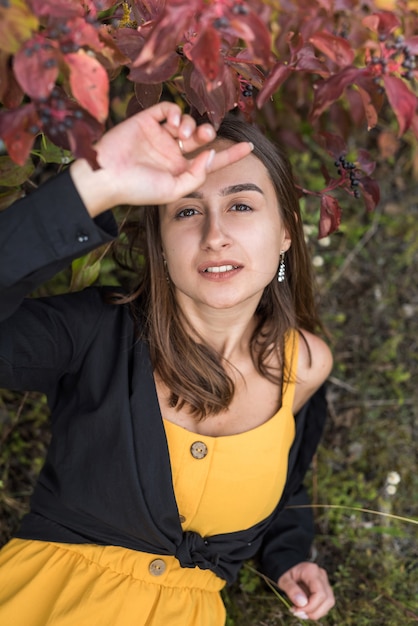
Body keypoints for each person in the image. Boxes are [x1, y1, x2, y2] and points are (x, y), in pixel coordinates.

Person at [0, 102, 335, 624]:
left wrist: (289, 556)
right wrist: (95, 185)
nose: (214, 233)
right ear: (159, 243)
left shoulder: (306, 363)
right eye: (186, 210)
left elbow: (283, 476)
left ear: (288, 231)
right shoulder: (95, 334)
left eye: (241, 205)